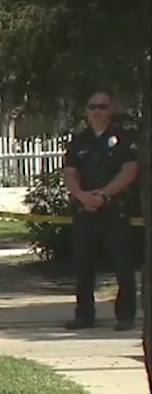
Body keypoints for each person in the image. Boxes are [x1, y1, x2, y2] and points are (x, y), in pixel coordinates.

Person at [62, 90, 140, 331]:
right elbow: (69, 174)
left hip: (114, 208)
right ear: (86, 111)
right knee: (84, 266)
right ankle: (84, 315)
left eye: (102, 107)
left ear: (110, 110)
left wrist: (103, 194)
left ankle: (125, 316)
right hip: (85, 210)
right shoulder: (79, 141)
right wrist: (82, 196)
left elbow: (129, 171)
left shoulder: (123, 138)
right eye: (92, 106)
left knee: (122, 264)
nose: (97, 111)